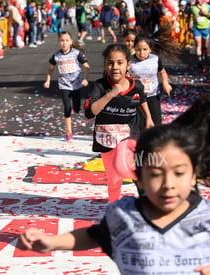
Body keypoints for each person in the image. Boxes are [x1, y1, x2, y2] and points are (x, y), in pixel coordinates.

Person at [19, 96, 210, 275]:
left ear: (193, 175)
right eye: (156, 174)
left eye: (179, 173)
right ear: (139, 177)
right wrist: (53, 242)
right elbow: (95, 236)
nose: (168, 184)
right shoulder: (123, 215)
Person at [84, 43, 153, 203]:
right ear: (105, 65)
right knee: (113, 179)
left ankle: (142, 187)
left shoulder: (137, 86)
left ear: (128, 64)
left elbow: (142, 99)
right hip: (106, 137)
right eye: (110, 62)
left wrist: (149, 118)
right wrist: (110, 94)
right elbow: (90, 112)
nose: (115, 67)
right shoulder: (99, 87)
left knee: (123, 165)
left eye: (120, 63)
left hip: (129, 134)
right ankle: (113, 206)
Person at [43, 31, 90, 142]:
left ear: (71, 42)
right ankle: (69, 133)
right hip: (64, 85)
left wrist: (86, 79)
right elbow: (50, 69)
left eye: (66, 40)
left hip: (76, 85)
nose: (64, 43)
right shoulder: (56, 56)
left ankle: (75, 108)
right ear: (58, 42)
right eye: (62, 41)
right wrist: (48, 80)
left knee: (77, 108)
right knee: (67, 108)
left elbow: (87, 67)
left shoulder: (77, 53)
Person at [129, 27, 177, 125]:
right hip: (137, 97)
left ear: (150, 49)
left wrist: (165, 83)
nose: (141, 53)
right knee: (142, 123)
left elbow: (162, 72)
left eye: (145, 49)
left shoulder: (155, 59)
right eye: (138, 50)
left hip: (153, 95)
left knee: (156, 122)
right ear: (134, 49)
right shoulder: (130, 61)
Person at [190, 0, 210, 67]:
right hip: (196, 28)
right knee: (198, 44)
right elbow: (188, 15)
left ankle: (203, 57)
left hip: (205, 28)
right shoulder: (192, 7)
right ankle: (199, 61)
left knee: (205, 46)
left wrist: (206, 14)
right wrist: (189, 25)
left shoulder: (207, 6)